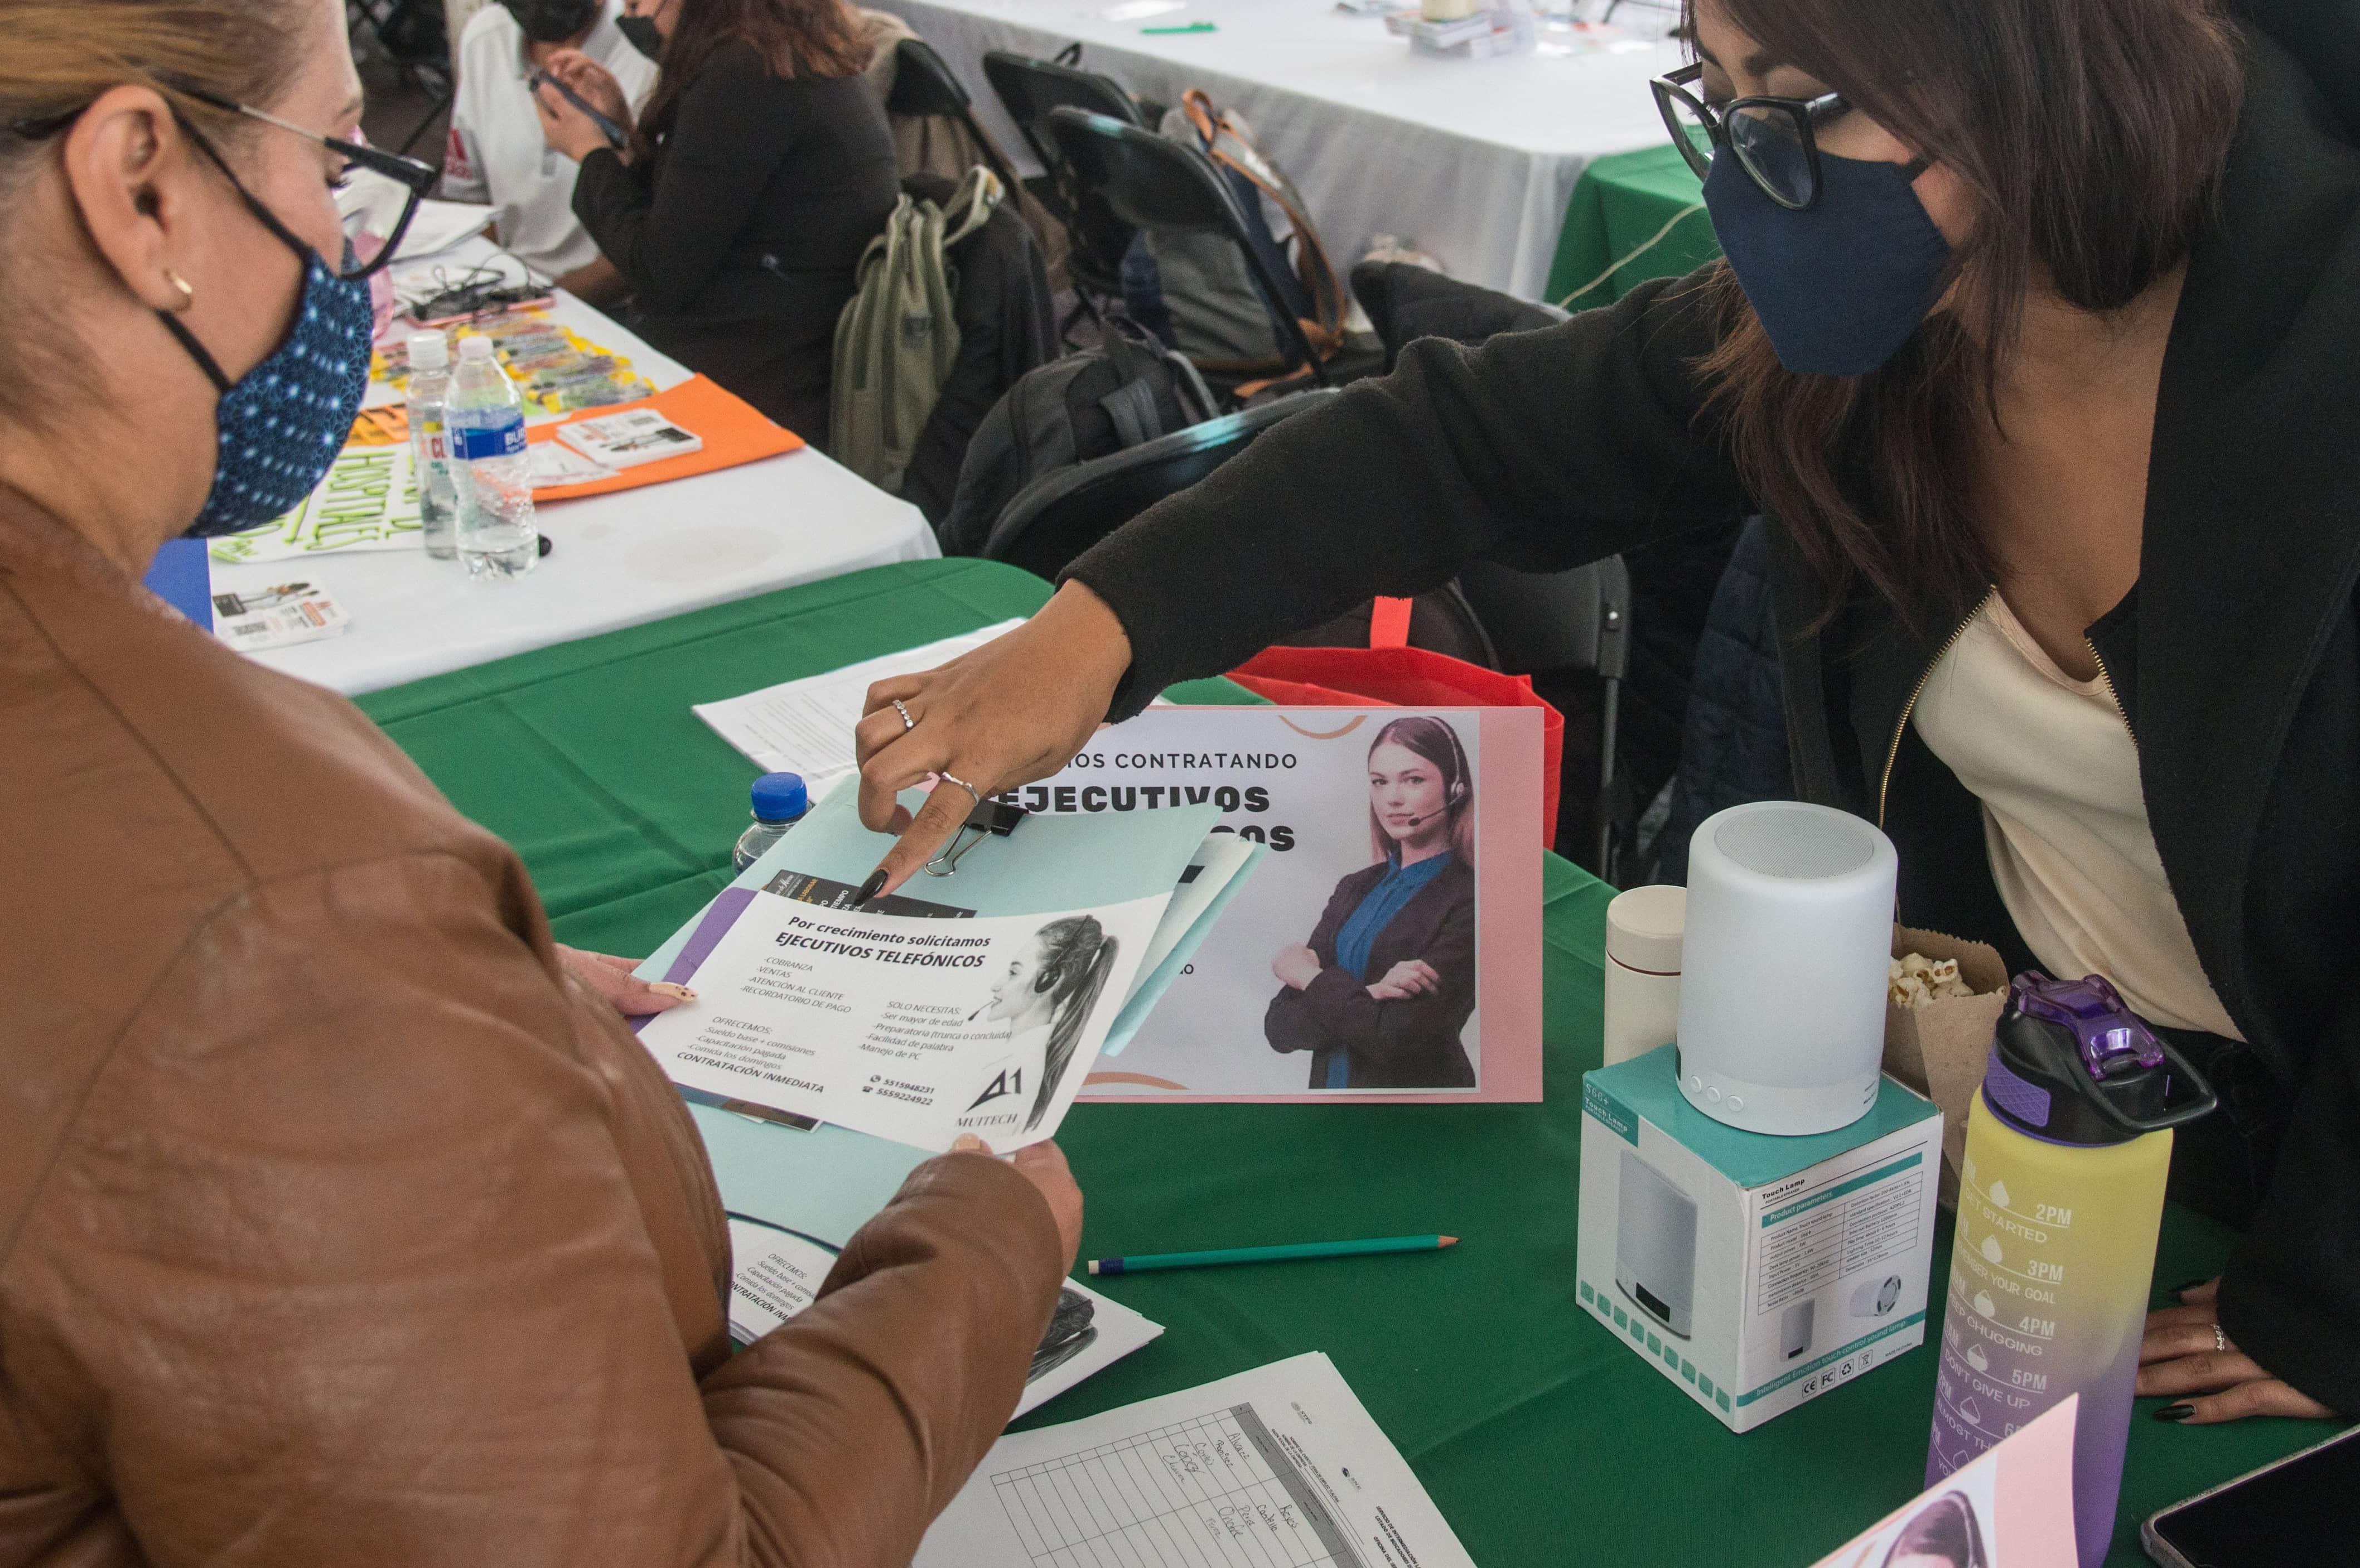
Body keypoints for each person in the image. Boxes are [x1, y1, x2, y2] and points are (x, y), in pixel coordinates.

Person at [0, 0, 1079, 1560]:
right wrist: (978, 1251)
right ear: (142, 186)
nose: (346, 245)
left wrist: (410, 1015)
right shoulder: (268, 916)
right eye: (332, 162)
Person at [849, 0, 2358, 1428]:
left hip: (2290, 1169)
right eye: (1719, 92)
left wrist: (2331, 1294)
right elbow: (1461, 440)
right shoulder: (1896, 338)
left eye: (1794, 102)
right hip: (2038, 1117)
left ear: (2019, 51)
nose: (1751, 170)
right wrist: (1101, 627)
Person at [533, 0, 899, 444]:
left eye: (637, 3)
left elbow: (658, 272)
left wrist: (590, 153)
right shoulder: (778, 50)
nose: (633, 17)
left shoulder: (746, 75)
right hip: (770, 352)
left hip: (760, 387)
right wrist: (619, 137)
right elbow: (691, 214)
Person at [1267, 717, 1480, 1090]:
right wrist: (1370, 995)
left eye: (1413, 780)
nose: (1392, 798)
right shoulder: (1355, 887)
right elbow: (1280, 1028)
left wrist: (1310, 978)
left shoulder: (1473, 898)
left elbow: (1392, 1038)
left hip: (1420, 1120)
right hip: (1331, 1117)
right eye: (1380, 782)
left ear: (1455, 788)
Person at [441, 0, 655, 302]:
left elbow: (659, 241)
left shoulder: (645, 44)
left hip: (618, 302)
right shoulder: (485, 38)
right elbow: (471, 203)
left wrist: (548, 300)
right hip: (508, 292)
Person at [972, 915, 1120, 1134]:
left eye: (1014, 972)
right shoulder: (1019, 1057)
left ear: (1048, 980)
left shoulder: (1015, 1073)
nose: (996, 985)